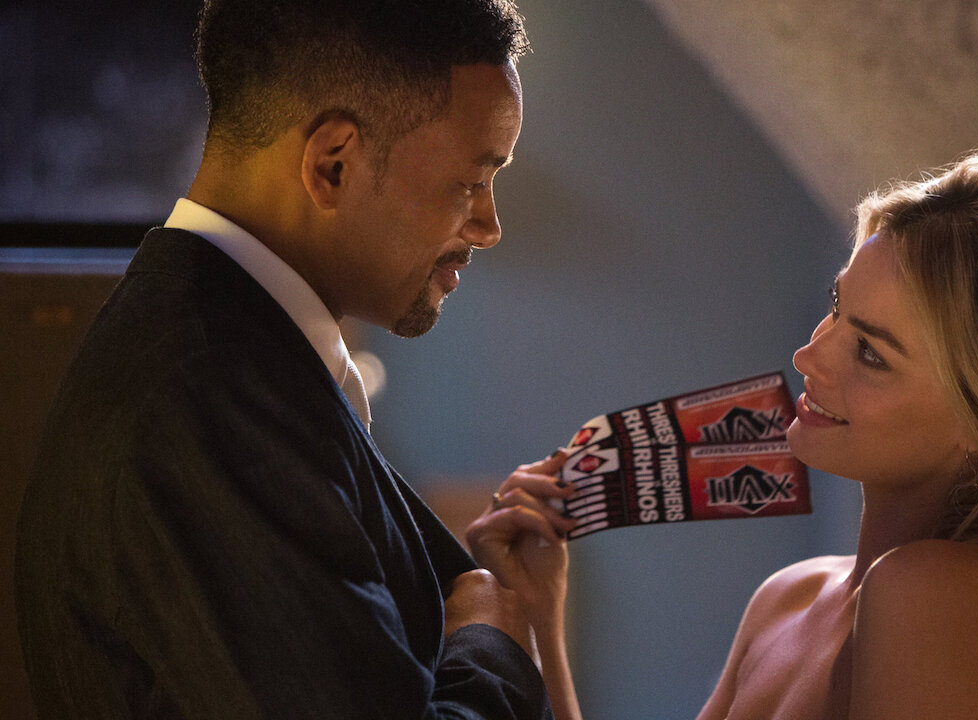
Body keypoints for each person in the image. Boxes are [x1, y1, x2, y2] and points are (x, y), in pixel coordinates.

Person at [472, 150, 978, 719]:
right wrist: (537, 621)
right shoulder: (790, 598)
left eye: (872, 353)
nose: (810, 357)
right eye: (839, 309)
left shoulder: (942, 596)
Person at [15, 0, 576, 718]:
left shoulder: (236, 360)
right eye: (470, 182)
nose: (489, 227)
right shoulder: (207, 404)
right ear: (332, 165)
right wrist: (491, 642)